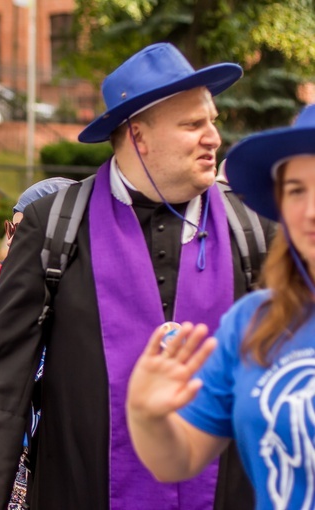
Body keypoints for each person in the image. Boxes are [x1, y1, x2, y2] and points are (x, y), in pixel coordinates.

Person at [0, 42, 276, 510]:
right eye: (193, 124)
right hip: (81, 489)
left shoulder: (251, 230)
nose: (214, 137)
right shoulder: (55, 228)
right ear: (138, 135)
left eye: (211, 121)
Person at [127, 105, 315, 510]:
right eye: (296, 190)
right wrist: (145, 414)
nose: (311, 210)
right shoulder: (254, 321)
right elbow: (178, 461)